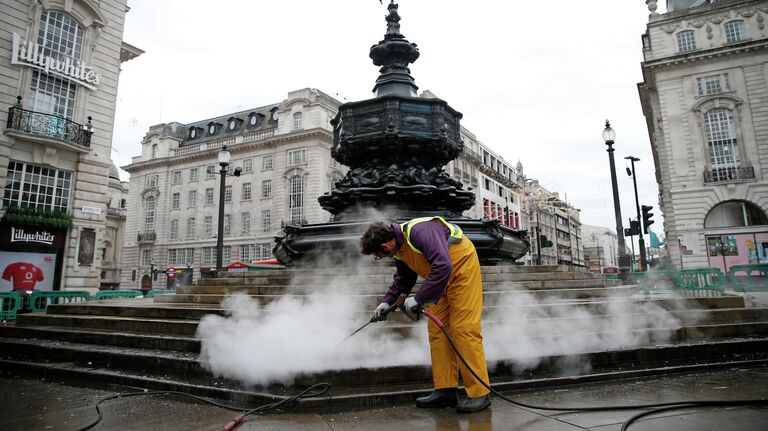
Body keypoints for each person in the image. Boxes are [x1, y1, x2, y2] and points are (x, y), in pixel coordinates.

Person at [359, 217, 491, 413]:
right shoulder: (399, 250)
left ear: (385, 245)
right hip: (439, 280)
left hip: (462, 271)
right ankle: (446, 391)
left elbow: (444, 265)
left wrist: (419, 298)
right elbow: (404, 279)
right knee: (437, 331)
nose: (380, 257)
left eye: (378, 254)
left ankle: (480, 393)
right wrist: (386, 302)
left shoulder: (419, 232)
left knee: (464, 330)